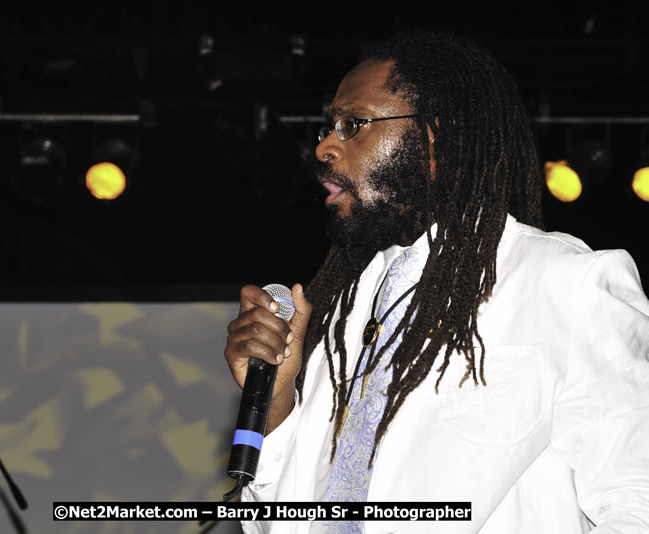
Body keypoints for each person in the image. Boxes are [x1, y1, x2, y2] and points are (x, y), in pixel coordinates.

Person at [223, 31, 649, 533]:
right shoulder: (343, 307)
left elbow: (635, 502)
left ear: (435, 138)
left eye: (352, 124)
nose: (325, 146)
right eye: (327, 126)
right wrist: (277, 405)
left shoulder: (566, 283)